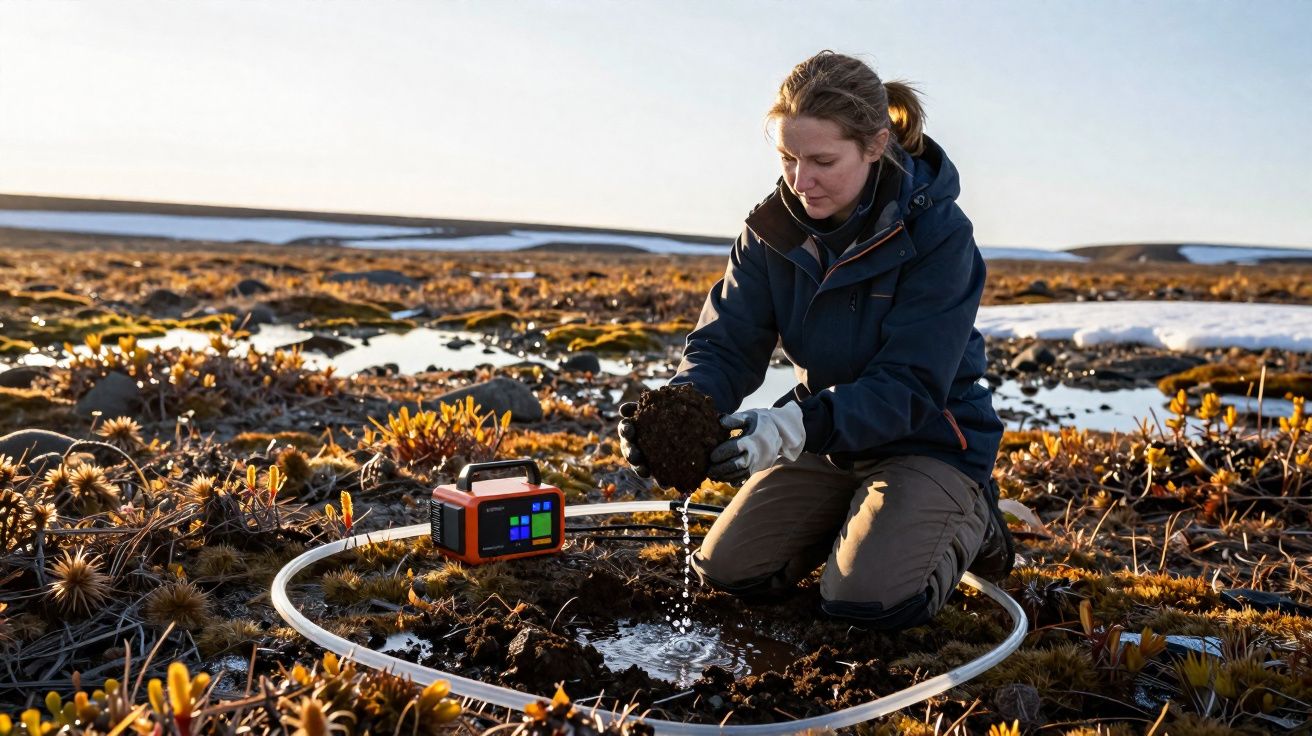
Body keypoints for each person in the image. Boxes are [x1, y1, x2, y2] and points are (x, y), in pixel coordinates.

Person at [617, 50, 1012, 631]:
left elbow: (910, 385)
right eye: (788, 158)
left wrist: (791, 427)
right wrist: (678, 409)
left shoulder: (940, 235)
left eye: (823, 161)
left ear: (875, 145)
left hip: (928, 440)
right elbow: (726, 343)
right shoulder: (769, 231)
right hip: (827, 440)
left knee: (865, 603)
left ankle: (974, 517)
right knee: (728, 571)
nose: (800, 181)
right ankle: (861, 517)